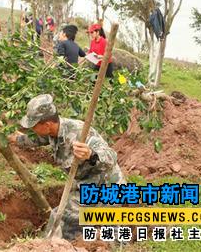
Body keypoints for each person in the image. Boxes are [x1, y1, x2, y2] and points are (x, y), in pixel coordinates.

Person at [9, 94, 126, 240]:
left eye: (34, 126)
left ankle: (47, 246)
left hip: (107, 188)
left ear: (46, 125)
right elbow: (36, 140)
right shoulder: (53, 132)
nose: (32, 129)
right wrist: (16, 139)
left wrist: (91, 154)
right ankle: (66, 245)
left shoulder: (80, 132)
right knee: (64, 217)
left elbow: (110, 157)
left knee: (110, 230)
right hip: (86, 185)